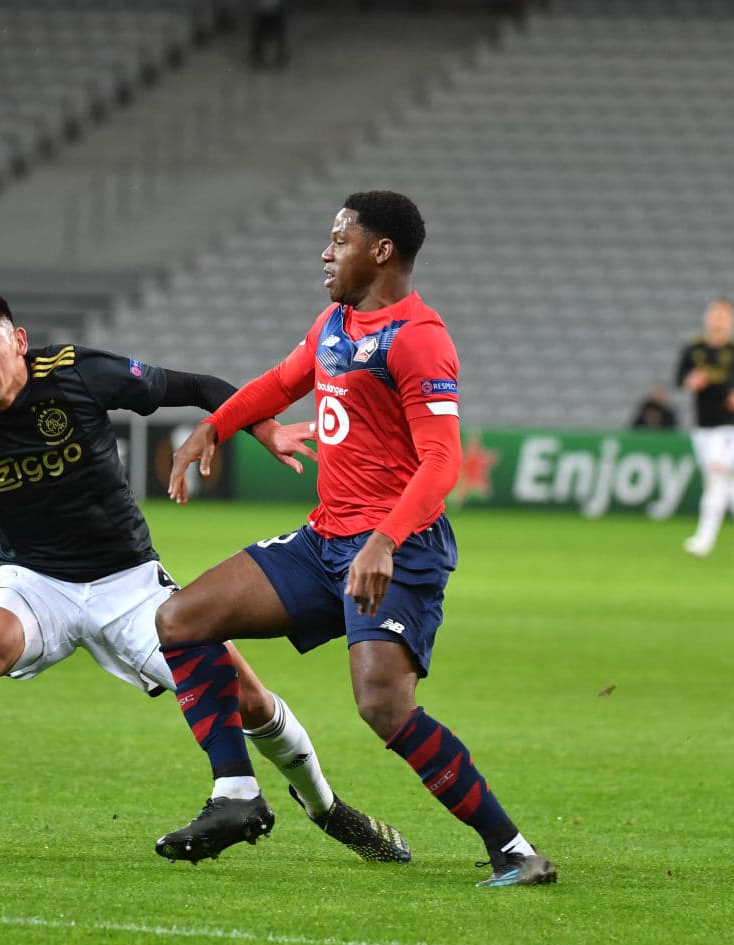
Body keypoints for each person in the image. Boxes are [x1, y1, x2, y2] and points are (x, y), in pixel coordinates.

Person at [0, 277, 410, 862]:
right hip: (33, 581)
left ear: (17, 341)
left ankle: (327, 810)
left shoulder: (74, 373)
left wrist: (265, 428)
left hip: (128, 581)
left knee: (248, 698)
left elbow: (197, 386)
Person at [152, 191, 557, 888]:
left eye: (339, 239)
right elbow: (279, 384)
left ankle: (514, 850)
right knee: (180, 620)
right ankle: (237, 794)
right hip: (326, 542)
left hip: (401, 546)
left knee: (381, 705)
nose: (325, 251)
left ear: (382, 251)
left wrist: (385, 540)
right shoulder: (334, 322)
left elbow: (442, 461)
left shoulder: (420, 337)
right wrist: (213, 426)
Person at [675, 297, 734, 556]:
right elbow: (679, 378)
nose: (718, 320)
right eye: (715, 314)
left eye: (724, 315)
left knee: (715, 475)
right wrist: (691, 380)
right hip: (704, 425)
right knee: (728, 483)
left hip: (730, 426)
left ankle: (703, 540)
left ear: (731, 320)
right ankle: (705, 539)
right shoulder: (693, 348)